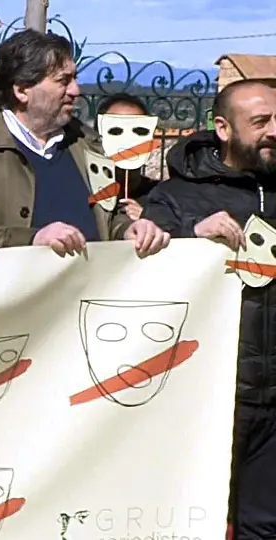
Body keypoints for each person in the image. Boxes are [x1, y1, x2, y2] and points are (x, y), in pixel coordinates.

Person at [140, 79, 276, 540]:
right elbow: (135, 273)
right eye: (260, 122)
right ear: (222, 127)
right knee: (194, 522)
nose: (274, 131)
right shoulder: (175, 198)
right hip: (206, 401)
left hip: (275, 407)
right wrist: (188, 238)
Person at [0, 30, 169, 268]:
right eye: (63, 81)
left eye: (74, 79)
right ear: (21, 90)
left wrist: (129, 229)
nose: (76, 91)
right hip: (16, 300)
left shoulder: (88, 143)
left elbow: (110, 214)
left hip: (89, 299)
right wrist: (33, 239)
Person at [94, 92, 161, 220]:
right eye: (115, 131)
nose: (128, 142)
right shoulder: (82, 193)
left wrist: (149, 218)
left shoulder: (161, 197)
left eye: (139, 131)